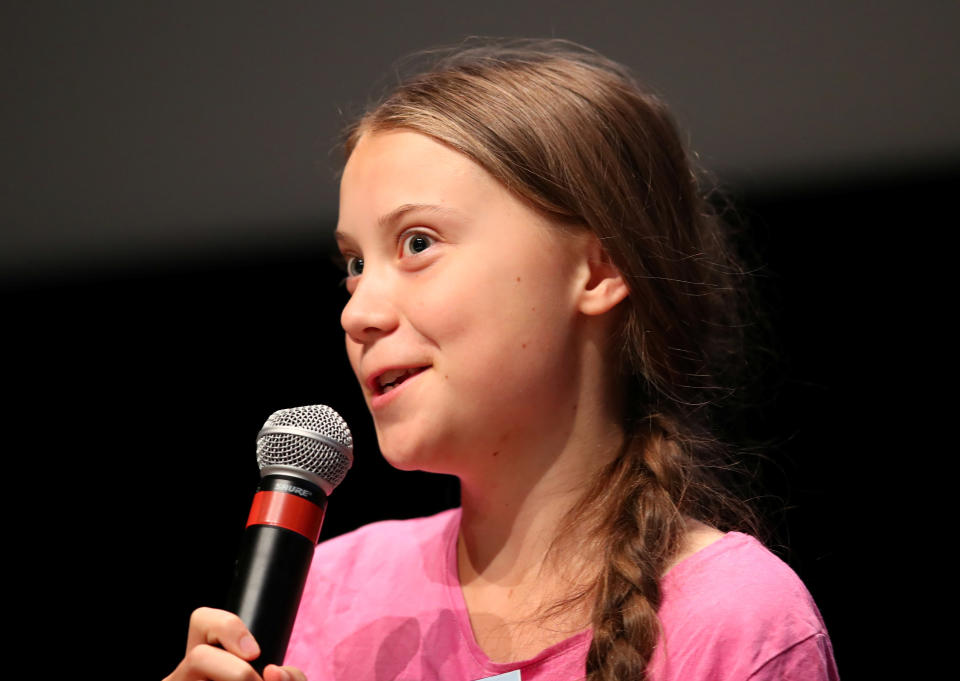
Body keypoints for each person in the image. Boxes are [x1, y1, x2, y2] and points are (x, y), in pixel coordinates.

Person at [165, 39, 838, 681]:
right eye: (355, 264)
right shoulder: (327, 595)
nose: (358, 311)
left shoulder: (734, 621)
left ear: (599, 268)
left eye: (418, 242)